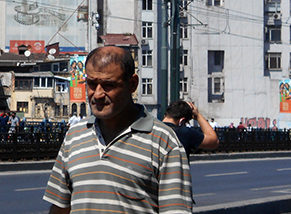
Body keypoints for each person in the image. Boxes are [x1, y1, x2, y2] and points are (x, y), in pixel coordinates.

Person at [44, 46, 192, 213]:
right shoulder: (75, 135)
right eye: (92, 84)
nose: (98, 94)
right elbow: (59, 208)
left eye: (108, 85)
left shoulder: (163, 141)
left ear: (132, 84)